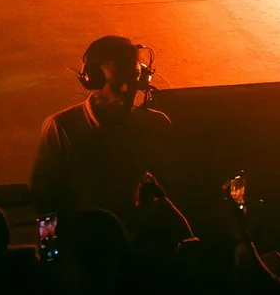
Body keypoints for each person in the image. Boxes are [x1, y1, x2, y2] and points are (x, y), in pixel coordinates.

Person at [29, 36, 173, 222]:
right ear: (92, 80)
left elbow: (176, 190)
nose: (126, 89)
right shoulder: (62, 128)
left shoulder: (156, 125)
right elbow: (45, 203)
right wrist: (50, 248)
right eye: (118, 81)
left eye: (133, 79)